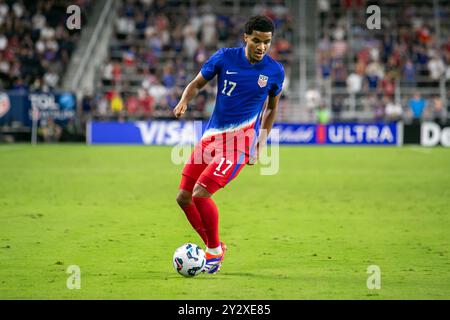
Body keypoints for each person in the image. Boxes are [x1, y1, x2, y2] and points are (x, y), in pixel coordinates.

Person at [173, 15, 284, 274]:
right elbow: (196, 84)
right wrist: (184, 101)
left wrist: (260, 145)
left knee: (201, 193)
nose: (261, 47)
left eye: (266, 42)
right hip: (211, 138)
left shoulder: (275, 71)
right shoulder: (224, 58)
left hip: (240, 144)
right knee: (183, 197)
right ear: (246, 37)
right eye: (256, 40)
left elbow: (271, 109)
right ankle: (215, 247)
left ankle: (212, 253)